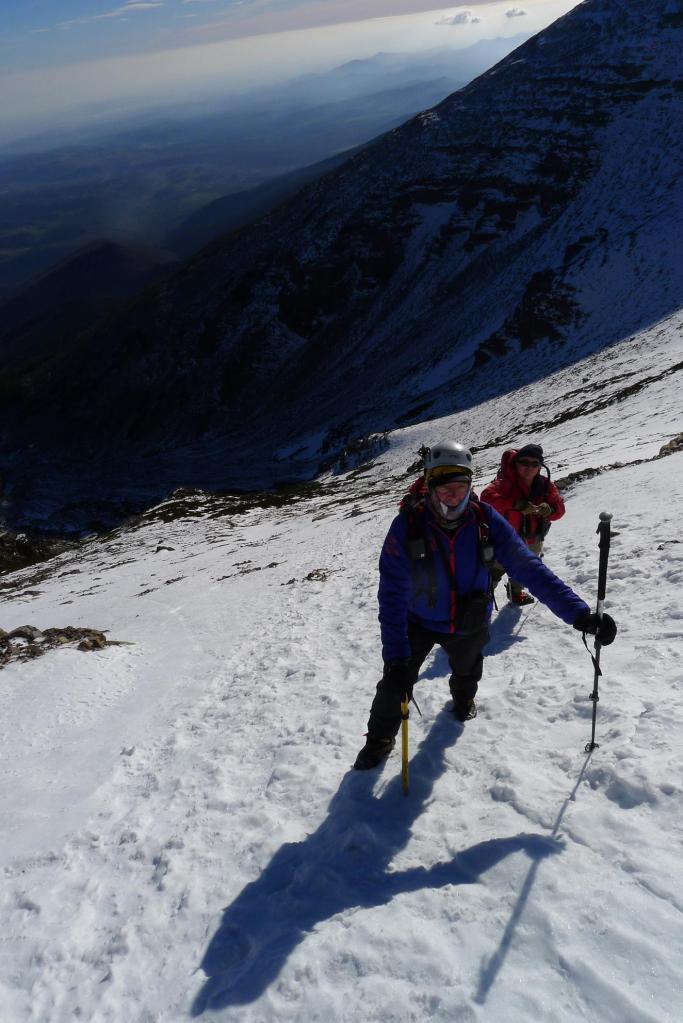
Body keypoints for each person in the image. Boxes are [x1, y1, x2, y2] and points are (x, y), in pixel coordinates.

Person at [354, 440, 616, 770]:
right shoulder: (407, 526)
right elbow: (391, 594)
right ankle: (379, 740)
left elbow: (527, 566)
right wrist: (394, 657)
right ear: (430, 486)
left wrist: (579, 614)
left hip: (470, 619)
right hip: (417, 622)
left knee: (468, 670)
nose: (453, 496)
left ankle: (463, 699)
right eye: (444, 488)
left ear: (470, 485)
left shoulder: (484, 520)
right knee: (393, 687)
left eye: (460, 487)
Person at [480, 444, 565, 606]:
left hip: (533, 540)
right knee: (494, 571)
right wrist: (516, 504)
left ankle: (515, 593)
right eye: (524, 462)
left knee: (524, 570)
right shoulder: (504, 483)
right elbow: (486, 498)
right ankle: (482, 601)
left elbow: (560, 509)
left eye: (534, 464)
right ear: (516, 463)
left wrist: (550, 510)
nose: (529, 467)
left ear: (540, 466)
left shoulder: (546, 485)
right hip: (504, 540)